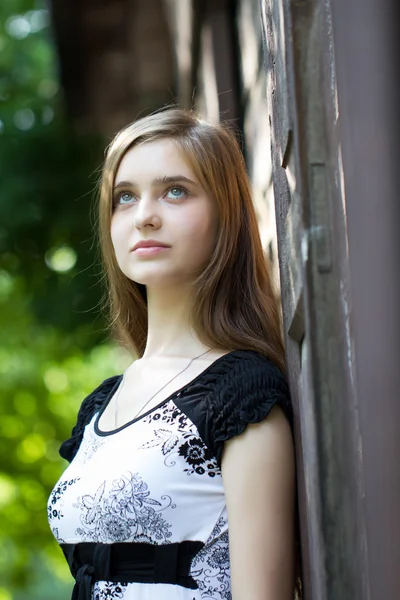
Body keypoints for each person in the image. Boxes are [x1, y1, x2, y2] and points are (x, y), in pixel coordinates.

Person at [47, 108, 299, 600]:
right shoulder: (101, 404)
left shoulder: (241, 393)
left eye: (175, 191)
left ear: (224, 213)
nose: (145, 215)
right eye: (125, 197)